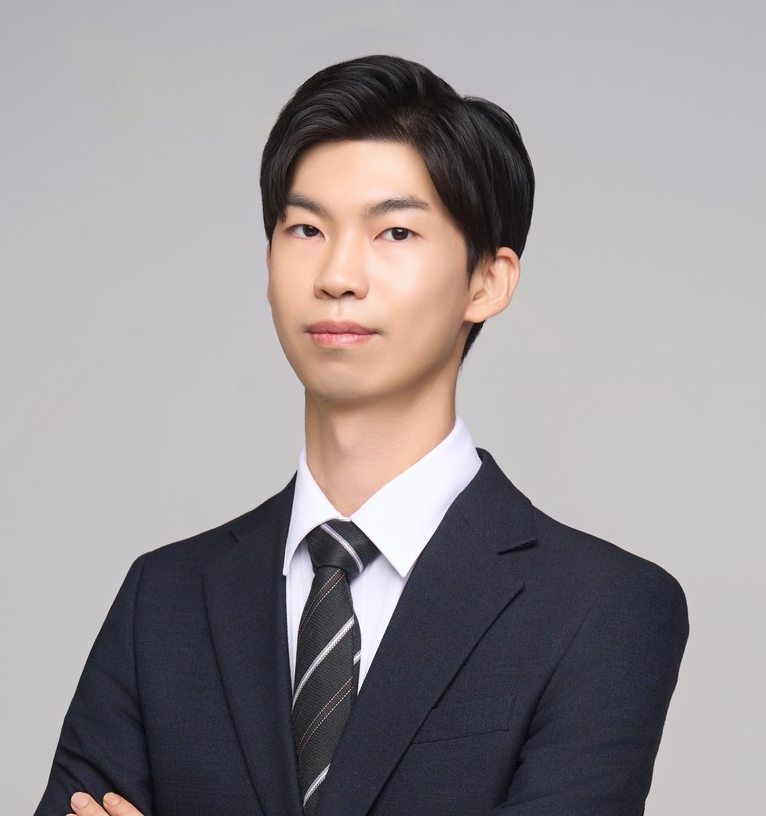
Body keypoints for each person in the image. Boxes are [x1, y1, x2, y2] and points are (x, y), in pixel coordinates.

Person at [35, 55, 688, 816]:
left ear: (487, 281)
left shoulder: (599, 608)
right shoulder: (165, 600)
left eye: (395, 231)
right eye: (306, 229)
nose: (338, 275)